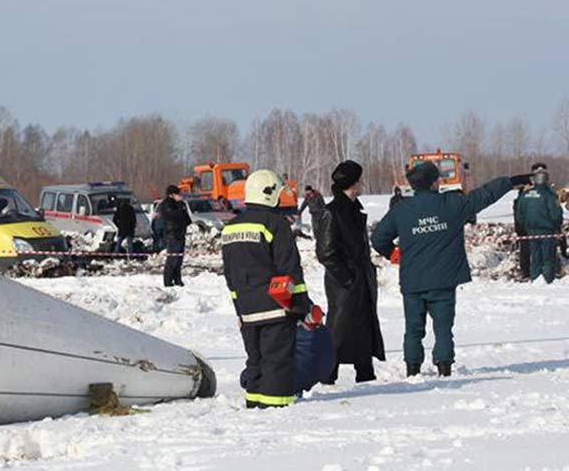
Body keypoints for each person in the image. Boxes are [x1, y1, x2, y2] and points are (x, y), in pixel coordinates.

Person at [371, 162, 526, 377]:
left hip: (413, 281)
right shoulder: (452, 204)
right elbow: (484, 196)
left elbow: (378, 238)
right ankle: (444, 368)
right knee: (443, 329)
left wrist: (393, 254)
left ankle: (412, 370)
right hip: (443, 281)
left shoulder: (401, 210)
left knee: (413, 329)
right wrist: (510, 182)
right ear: (435, 182)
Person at [222, 169, 319, 408]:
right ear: (270, 193)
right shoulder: (276, 225)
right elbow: (290, 271)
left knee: (255, 361)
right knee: (277, 361)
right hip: (275, 308)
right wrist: (302, 307)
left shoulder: (230, 228)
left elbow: (230, 276)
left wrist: (239, 310)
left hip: (246, 309)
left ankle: (254, 404)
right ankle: (276, 408)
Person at [309, 160, 385, 384]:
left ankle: (366, 375)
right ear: (353, 183)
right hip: (344, 284)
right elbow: (325, 253)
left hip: (358, 280)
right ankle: (327, 377)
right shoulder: (332, 213)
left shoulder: (353, 210)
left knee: (362, 327)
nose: (361, 183)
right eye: (359, 180)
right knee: (340, 331)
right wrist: (348, 278)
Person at [515, 163, 564, 283]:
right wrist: (557, 226)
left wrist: (525, 227)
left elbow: (519, 214)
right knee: (548, 258)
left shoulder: (525, 195)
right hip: (547, 231)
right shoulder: (550, 195)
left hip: (531, 231)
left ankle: (535, 277)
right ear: (546, 179)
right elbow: (556, 214)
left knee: (535, 257)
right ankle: (547, 279)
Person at [160, 185, 191, 287]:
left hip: (180, 233)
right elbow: (173, 216)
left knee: (179, 260)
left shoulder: (180, 204)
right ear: (172, 195)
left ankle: (178, 280)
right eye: (178, 194)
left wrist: (181, 209)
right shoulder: (166, 204)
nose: (180, 196)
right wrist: (180, 210)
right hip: (172, 235)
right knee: (172, 259)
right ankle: (168, 281)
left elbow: (186, 218)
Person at [513, 182, 533, 280]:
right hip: (525, 230)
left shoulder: (519, 201)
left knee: (525, 251)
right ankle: (526, 271)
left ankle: (526, 271)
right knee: (526, 251)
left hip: (522, 230)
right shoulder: (522, 201)